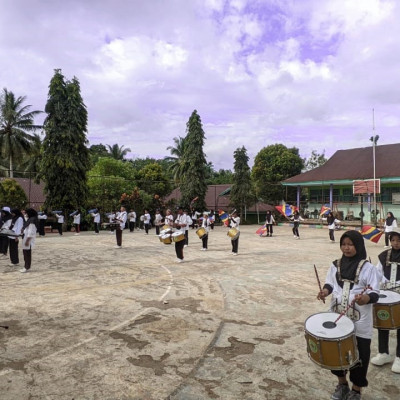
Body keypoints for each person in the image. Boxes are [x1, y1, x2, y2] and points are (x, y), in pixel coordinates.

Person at [317, 231, 380, 400]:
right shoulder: (335, 264)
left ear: (358, 246)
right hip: (337, 320)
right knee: (335, 353)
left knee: (360, 357)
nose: (346, 248)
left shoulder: (368, 268)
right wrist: (324, 291)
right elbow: (330, 283)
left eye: (350, 244)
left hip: (360, 323)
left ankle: (356, 390)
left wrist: (365, 298)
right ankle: (342, 384)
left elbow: (374, 291)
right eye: (344, 244)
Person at [371, 227, 400, 373]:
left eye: (398, 240)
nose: (396, 243)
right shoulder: (384, 256)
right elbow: (377, 273)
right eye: (393, 240)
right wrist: (383, 283)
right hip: (386, 295)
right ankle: (383, 353)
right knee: (383, 322)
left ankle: (399, 357)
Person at [20, 208, 38, 273]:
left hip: (28, 239)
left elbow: (31, 232)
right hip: (26, 238)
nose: (25, 214)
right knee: (25, 253)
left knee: (27, 254)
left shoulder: (32, 220)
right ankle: (26, 266)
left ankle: (26, 267)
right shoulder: (30, 219)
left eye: (26, 213)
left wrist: (27, 241)